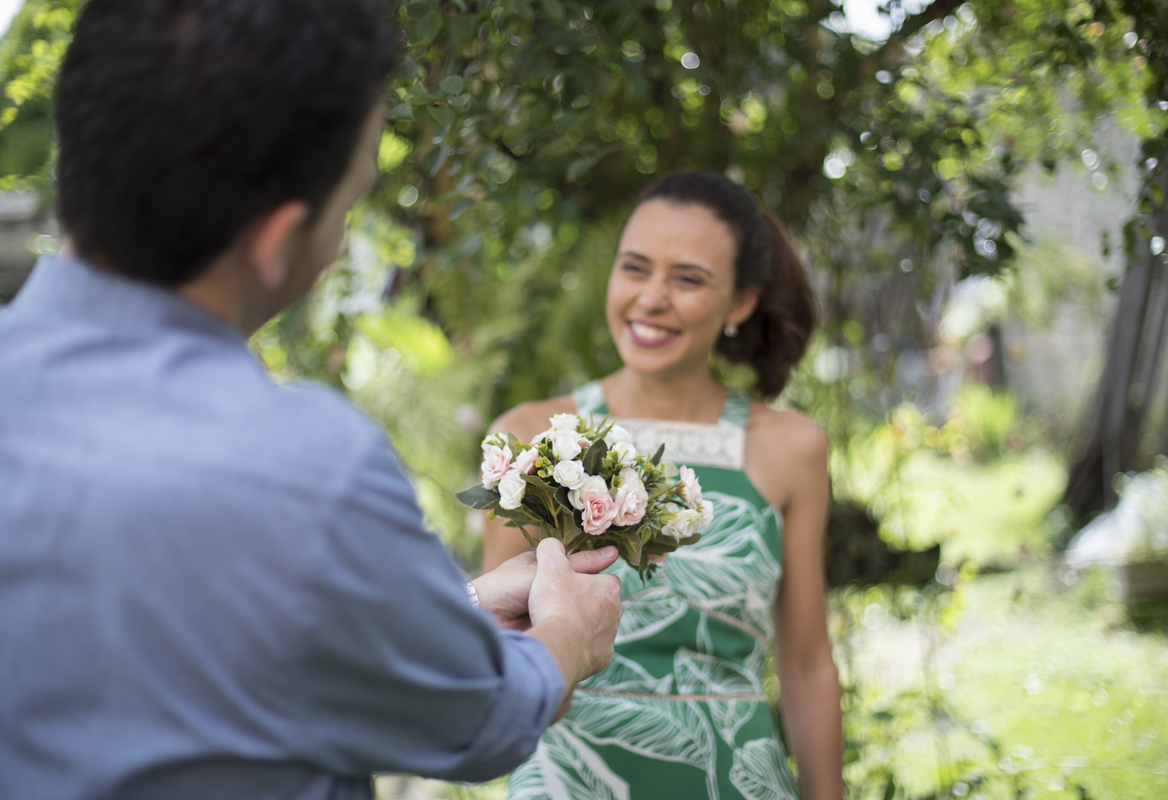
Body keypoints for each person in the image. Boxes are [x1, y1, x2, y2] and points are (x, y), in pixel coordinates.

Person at [0, 1, 623, 799]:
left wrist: (450, 616)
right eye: (349, 202)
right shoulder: (302, 471)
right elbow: (481, 722)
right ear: (276, 240)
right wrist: (568, 631)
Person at [482, 170, 843, 799]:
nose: (651, 298)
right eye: (635, 268)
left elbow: (807, 666)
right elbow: (495, 649)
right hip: (567, 779)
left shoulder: (792, 449)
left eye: (688, 279)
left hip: (728, 776)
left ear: (741, 302)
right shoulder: (530, 437)